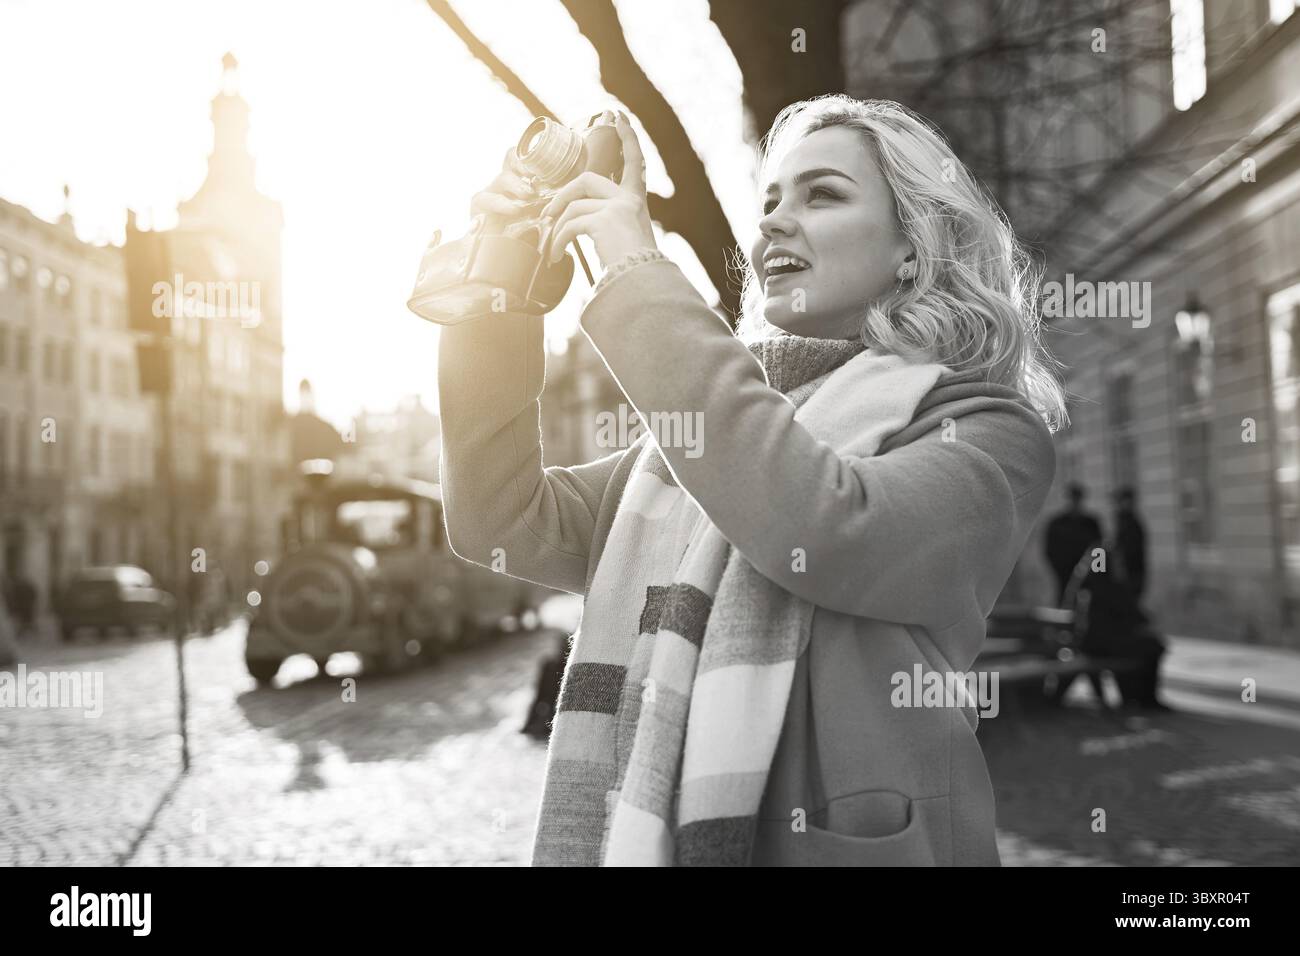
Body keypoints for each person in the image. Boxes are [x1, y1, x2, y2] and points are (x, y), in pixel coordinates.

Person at [434, 97, 1066, 866]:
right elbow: (499, 521)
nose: (772, 222)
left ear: (915, 245)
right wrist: (498, 296)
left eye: (822, 194)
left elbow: (822, 522)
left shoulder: (987, 430)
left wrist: (637, 271)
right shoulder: (693, 448)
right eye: (768, 201)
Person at [1044, 482, 1104, 607]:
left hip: (1088, 574)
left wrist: (1097, 571)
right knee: (1065, 601)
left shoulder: (1091, 523)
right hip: (1064, 573)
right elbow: (1050, 550)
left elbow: (1100, 550)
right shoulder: (1057, 524)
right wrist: (1059, 568)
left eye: (1076, 499)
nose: (1074, 503)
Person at [1113, 486, 1147, 603]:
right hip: (1126, 571)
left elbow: (1133, 548)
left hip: (1133, 570)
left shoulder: (1131, 522)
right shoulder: (1122, 520)